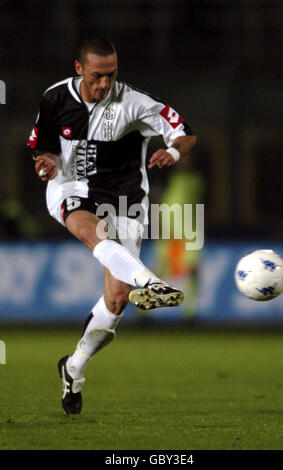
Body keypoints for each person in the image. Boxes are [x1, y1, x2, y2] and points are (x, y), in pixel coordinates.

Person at [27, 37, 196, 415]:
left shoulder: (134, 103)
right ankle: (149, 281)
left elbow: (184, 130)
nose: (105, 83)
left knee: (118, 299)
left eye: (112, 74)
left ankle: (73, 367)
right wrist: (47, 163)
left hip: (124, 199)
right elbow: (43, 146)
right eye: (98, 76)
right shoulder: (55, 99)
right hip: (72, 189)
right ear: (79, 69)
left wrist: (171, 150)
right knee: (92, 232)